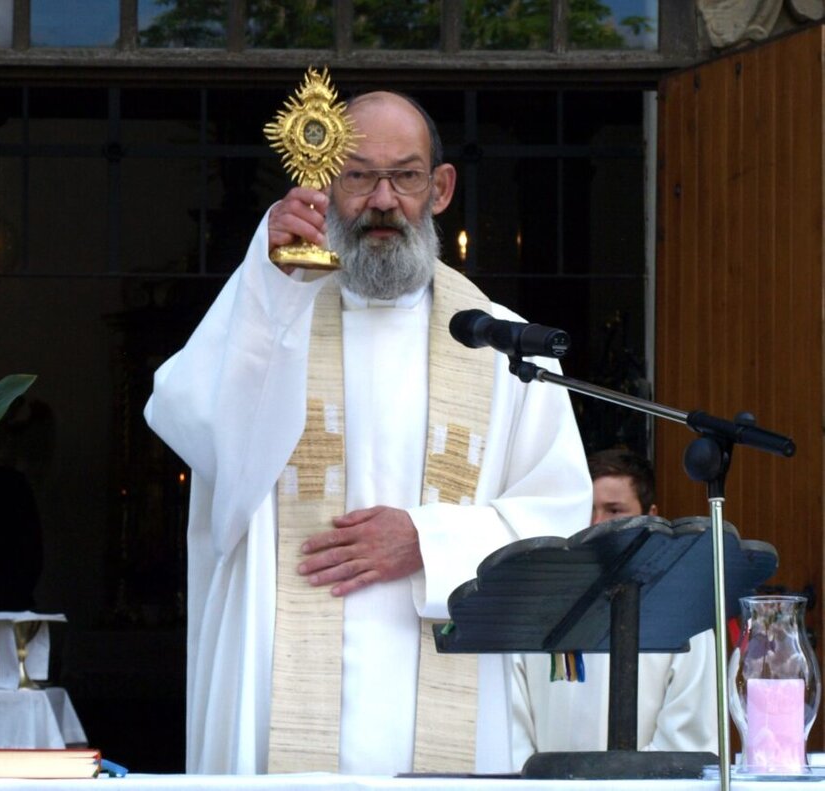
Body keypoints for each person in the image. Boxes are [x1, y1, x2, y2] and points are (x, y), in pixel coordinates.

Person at [144, 90, 592, 775]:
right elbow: (194, 426)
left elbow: (561, 518)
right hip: (280, 690)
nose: (383, 200)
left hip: (455, 700)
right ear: (325, 181)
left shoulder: (503, 346)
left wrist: (427, 539)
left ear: (440, 188)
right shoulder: (272, 306)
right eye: (358, 175)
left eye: (406, 176)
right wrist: (266, 281)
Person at [509, 448, 718, 769]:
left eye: (614, 510)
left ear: (650, 515)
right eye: (587, 509)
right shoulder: (533, 604)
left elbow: (685, 735)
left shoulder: (684, 614)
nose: (596, 524)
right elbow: (512, 726)